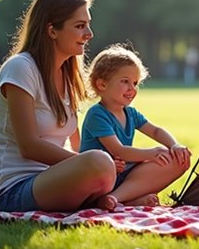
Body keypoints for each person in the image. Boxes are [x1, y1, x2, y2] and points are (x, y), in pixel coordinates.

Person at [0, 0, 120, 212]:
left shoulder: (67, 75)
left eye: (88, 25)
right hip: (14, 191)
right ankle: (112, 194)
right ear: (52, 30)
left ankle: (112, 194)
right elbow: (29, 146)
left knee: (161, 160)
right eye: (80, 26)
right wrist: (90, 164)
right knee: (99, 162)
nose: (89, 34)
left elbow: (76, 143)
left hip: (54, 180)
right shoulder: (20, 67)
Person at [80, 44, 191, 208]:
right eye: (125, 81)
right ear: (102, 85)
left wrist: (174, 145)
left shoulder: (130, 113)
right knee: (159, 153)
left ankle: (118, 199)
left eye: (135, 83)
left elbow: (155, 131)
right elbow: (119, 151)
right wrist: (151, 153)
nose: (132, 89)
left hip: (123, 175)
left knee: (176, 160)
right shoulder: (97, 115)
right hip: (100, 178)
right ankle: (116, 199)